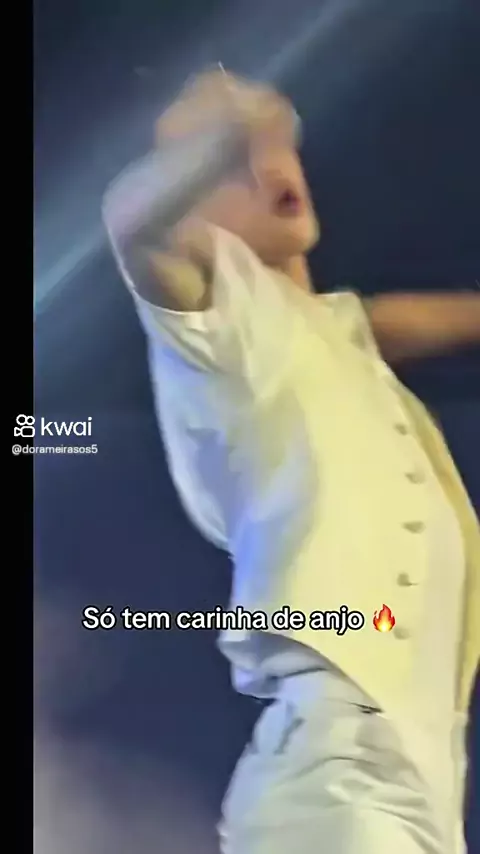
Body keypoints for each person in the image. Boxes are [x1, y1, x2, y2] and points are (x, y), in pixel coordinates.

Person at [103, 70, 480, 854]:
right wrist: (227, 127)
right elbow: (132, 221)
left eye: (274, 146)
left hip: (423, 786)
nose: (263, 163)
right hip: (338, 776)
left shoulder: (339, 335)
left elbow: (396, 322)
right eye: (225, 161)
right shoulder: (217, 327)